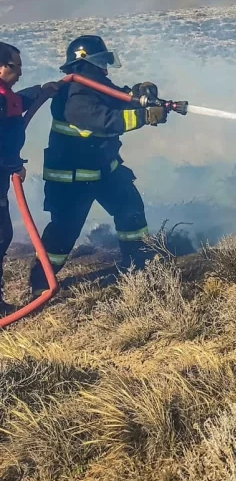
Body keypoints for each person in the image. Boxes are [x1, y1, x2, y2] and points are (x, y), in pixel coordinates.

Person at [28, 35, 167, 298]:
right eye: (100, 60)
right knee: (63, 232)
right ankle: (40, 282)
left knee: (130, 210)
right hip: (72, 180)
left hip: (104, 171)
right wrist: (144, 116)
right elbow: (103, 120)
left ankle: (138, 263)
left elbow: (116, 98)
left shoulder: (95, 85)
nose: (105, 66)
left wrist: (138, 95)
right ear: (85, 64)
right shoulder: (73, 94)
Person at [0, 42, 61, 314]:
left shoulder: (6, 95)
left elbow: (17, 102)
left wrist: (41, 91)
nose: (21, 73)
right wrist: (12, 162)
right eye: (16, 67)